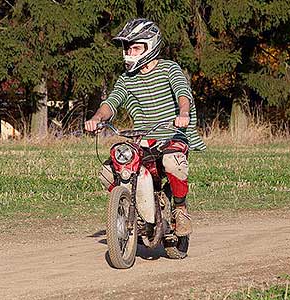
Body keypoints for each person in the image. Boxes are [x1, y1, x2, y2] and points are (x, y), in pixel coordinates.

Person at [85, 18, 206, 236]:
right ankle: (135, 210)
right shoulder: (126, 79)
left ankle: (180, 209)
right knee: (107, 172)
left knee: (173, 162)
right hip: (143, 139)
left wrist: (184, 114)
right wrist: (97, 118)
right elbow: (110, 104)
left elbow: (182, 93)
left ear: (151, 45)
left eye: (135, 47)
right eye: (127, 47)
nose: (129, 52)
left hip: (172, 135)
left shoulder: (170, 69)